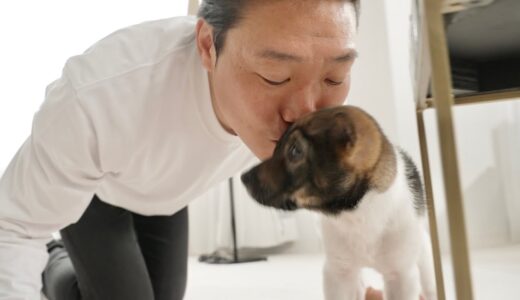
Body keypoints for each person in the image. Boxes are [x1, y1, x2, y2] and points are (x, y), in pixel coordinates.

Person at [0, 0, 388, 299]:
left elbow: (346, 203)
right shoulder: (97, 99)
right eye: (276, 76)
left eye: (334, 76)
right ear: (207, 45)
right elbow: (12, 228)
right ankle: (57, 259)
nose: (304, 115)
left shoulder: (326, 122)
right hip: (95, 193)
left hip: (167, 194)